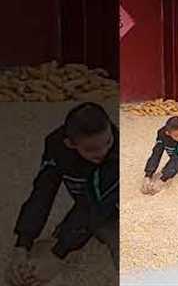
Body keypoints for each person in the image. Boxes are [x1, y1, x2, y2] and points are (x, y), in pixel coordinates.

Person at [5, 102, 119, 286]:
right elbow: (43, 192)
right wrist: (22, 244)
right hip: (90, 197)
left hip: (119, 202)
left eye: (108, 142)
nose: (103, 152)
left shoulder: (116, 154)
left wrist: (58, 255)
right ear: (70, 144)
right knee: (55, 245)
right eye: (91, 149)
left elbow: (94, 206)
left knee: (121, 246)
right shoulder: (56, 146)